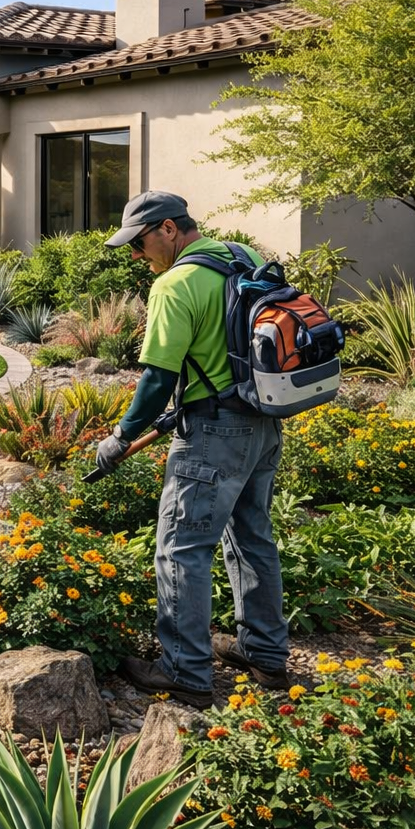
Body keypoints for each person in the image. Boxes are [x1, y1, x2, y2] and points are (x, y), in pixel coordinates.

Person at [96, 191, 291, 708]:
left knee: (182, 548)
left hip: (212, 433)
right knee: (252, 537)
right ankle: (265, 654)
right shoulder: (241, 257)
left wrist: (120, 437)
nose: (138, 256)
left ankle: (184, 670)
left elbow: (159, 377)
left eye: (139, 243)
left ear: (166, 228)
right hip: (263, 422)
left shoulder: (175, 284)